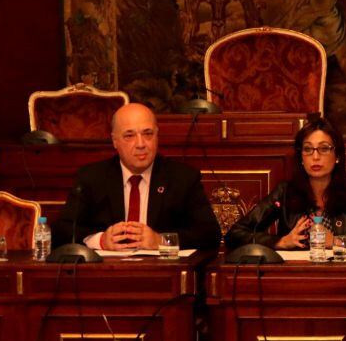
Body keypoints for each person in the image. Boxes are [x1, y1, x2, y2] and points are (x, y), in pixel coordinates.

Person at [53, 103, 222, 251]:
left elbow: (210, 234)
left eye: (148, 134)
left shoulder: (182, 178)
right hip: (108, 275)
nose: (141, 144)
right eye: (129, 135)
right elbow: (62, 230)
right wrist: (101, 240)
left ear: (157, 136)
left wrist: (161, 240)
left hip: (164, 277)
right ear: (114, 141)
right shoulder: (92, 178)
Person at [225, 114, 346, 252]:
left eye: (324, 149)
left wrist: (339, 242)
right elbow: (235, 235)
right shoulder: (286, 191)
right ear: (301, 157)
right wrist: (280, 242)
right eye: (308, 149)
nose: (315, 157)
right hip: (297, 277)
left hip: (345, 276)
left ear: (338, 155)